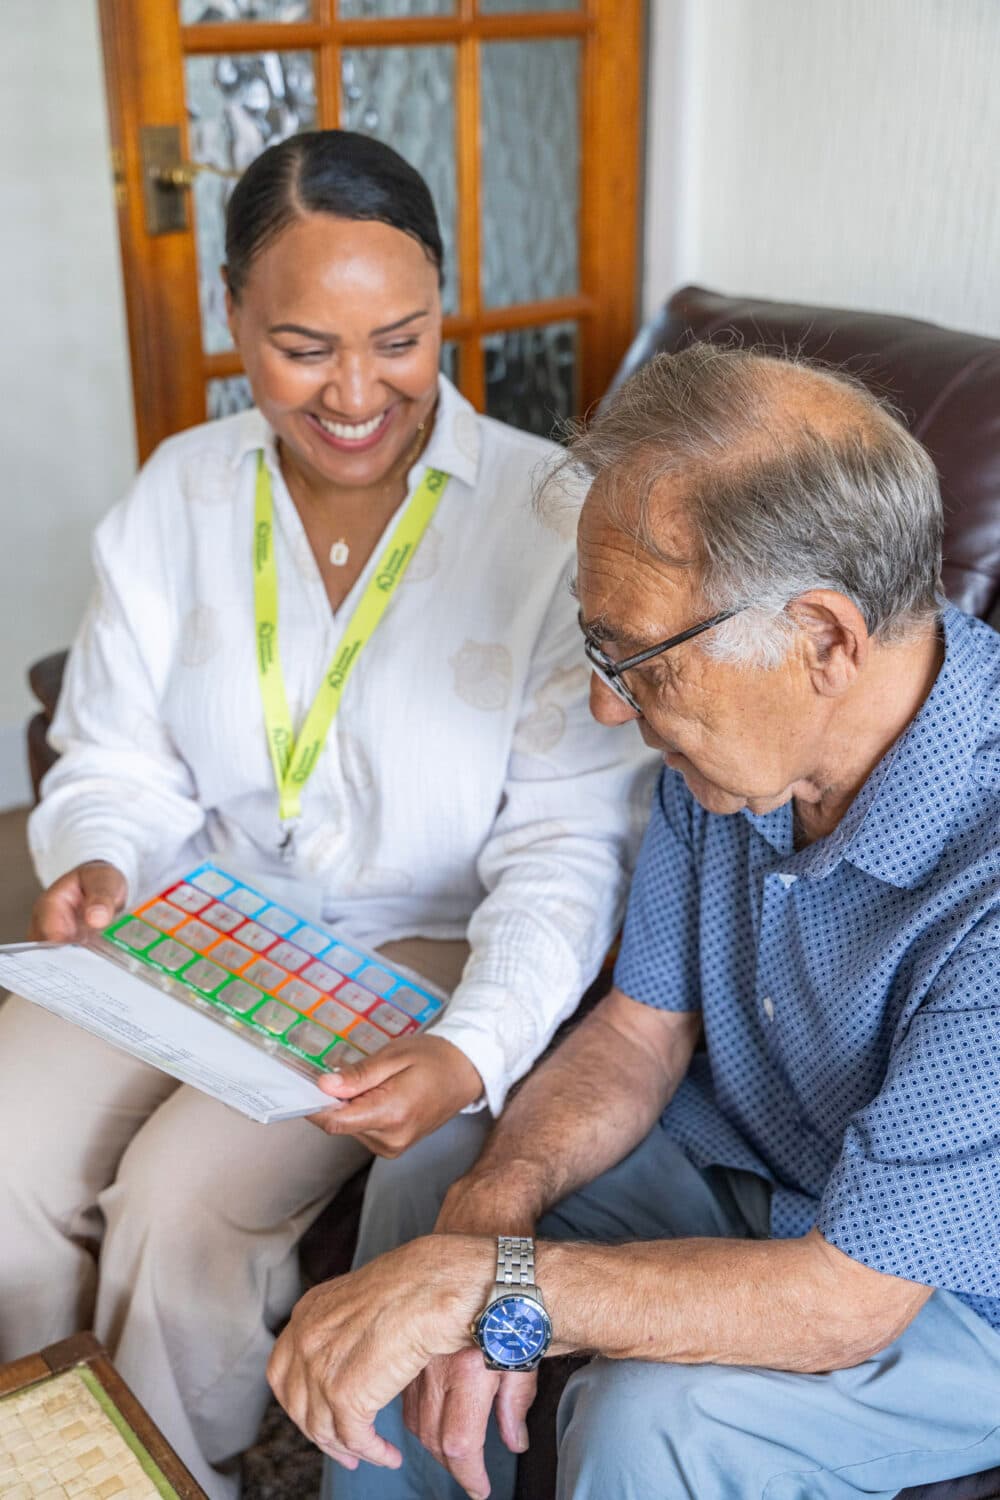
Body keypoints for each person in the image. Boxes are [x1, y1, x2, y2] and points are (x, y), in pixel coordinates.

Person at [0, 131, 652, 1499]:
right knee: (5, 1146)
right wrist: (101, 855)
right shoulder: (179, 491)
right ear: (233, 312)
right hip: (193, 907)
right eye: (302, 346)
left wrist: (469, 1051)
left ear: (443, 303)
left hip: (422, 946)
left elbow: (566, 851)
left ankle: (180, 1472)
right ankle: (46, 1451)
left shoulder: (552, 519)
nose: (358, 393)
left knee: (180, 1210)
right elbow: (113, 752)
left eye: (400, 339)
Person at [269, 344, 1000, 1500]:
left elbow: (846, 1300)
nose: (612, 704)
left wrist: (494, 1288)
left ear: (823, 640)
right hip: (751, 1170)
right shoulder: (739, 747)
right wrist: (489, 1226)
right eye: (598, 645)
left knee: (653, 1415)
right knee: (436, 1187)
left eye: (640, 658)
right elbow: (638, 1031)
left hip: (946, 1287)